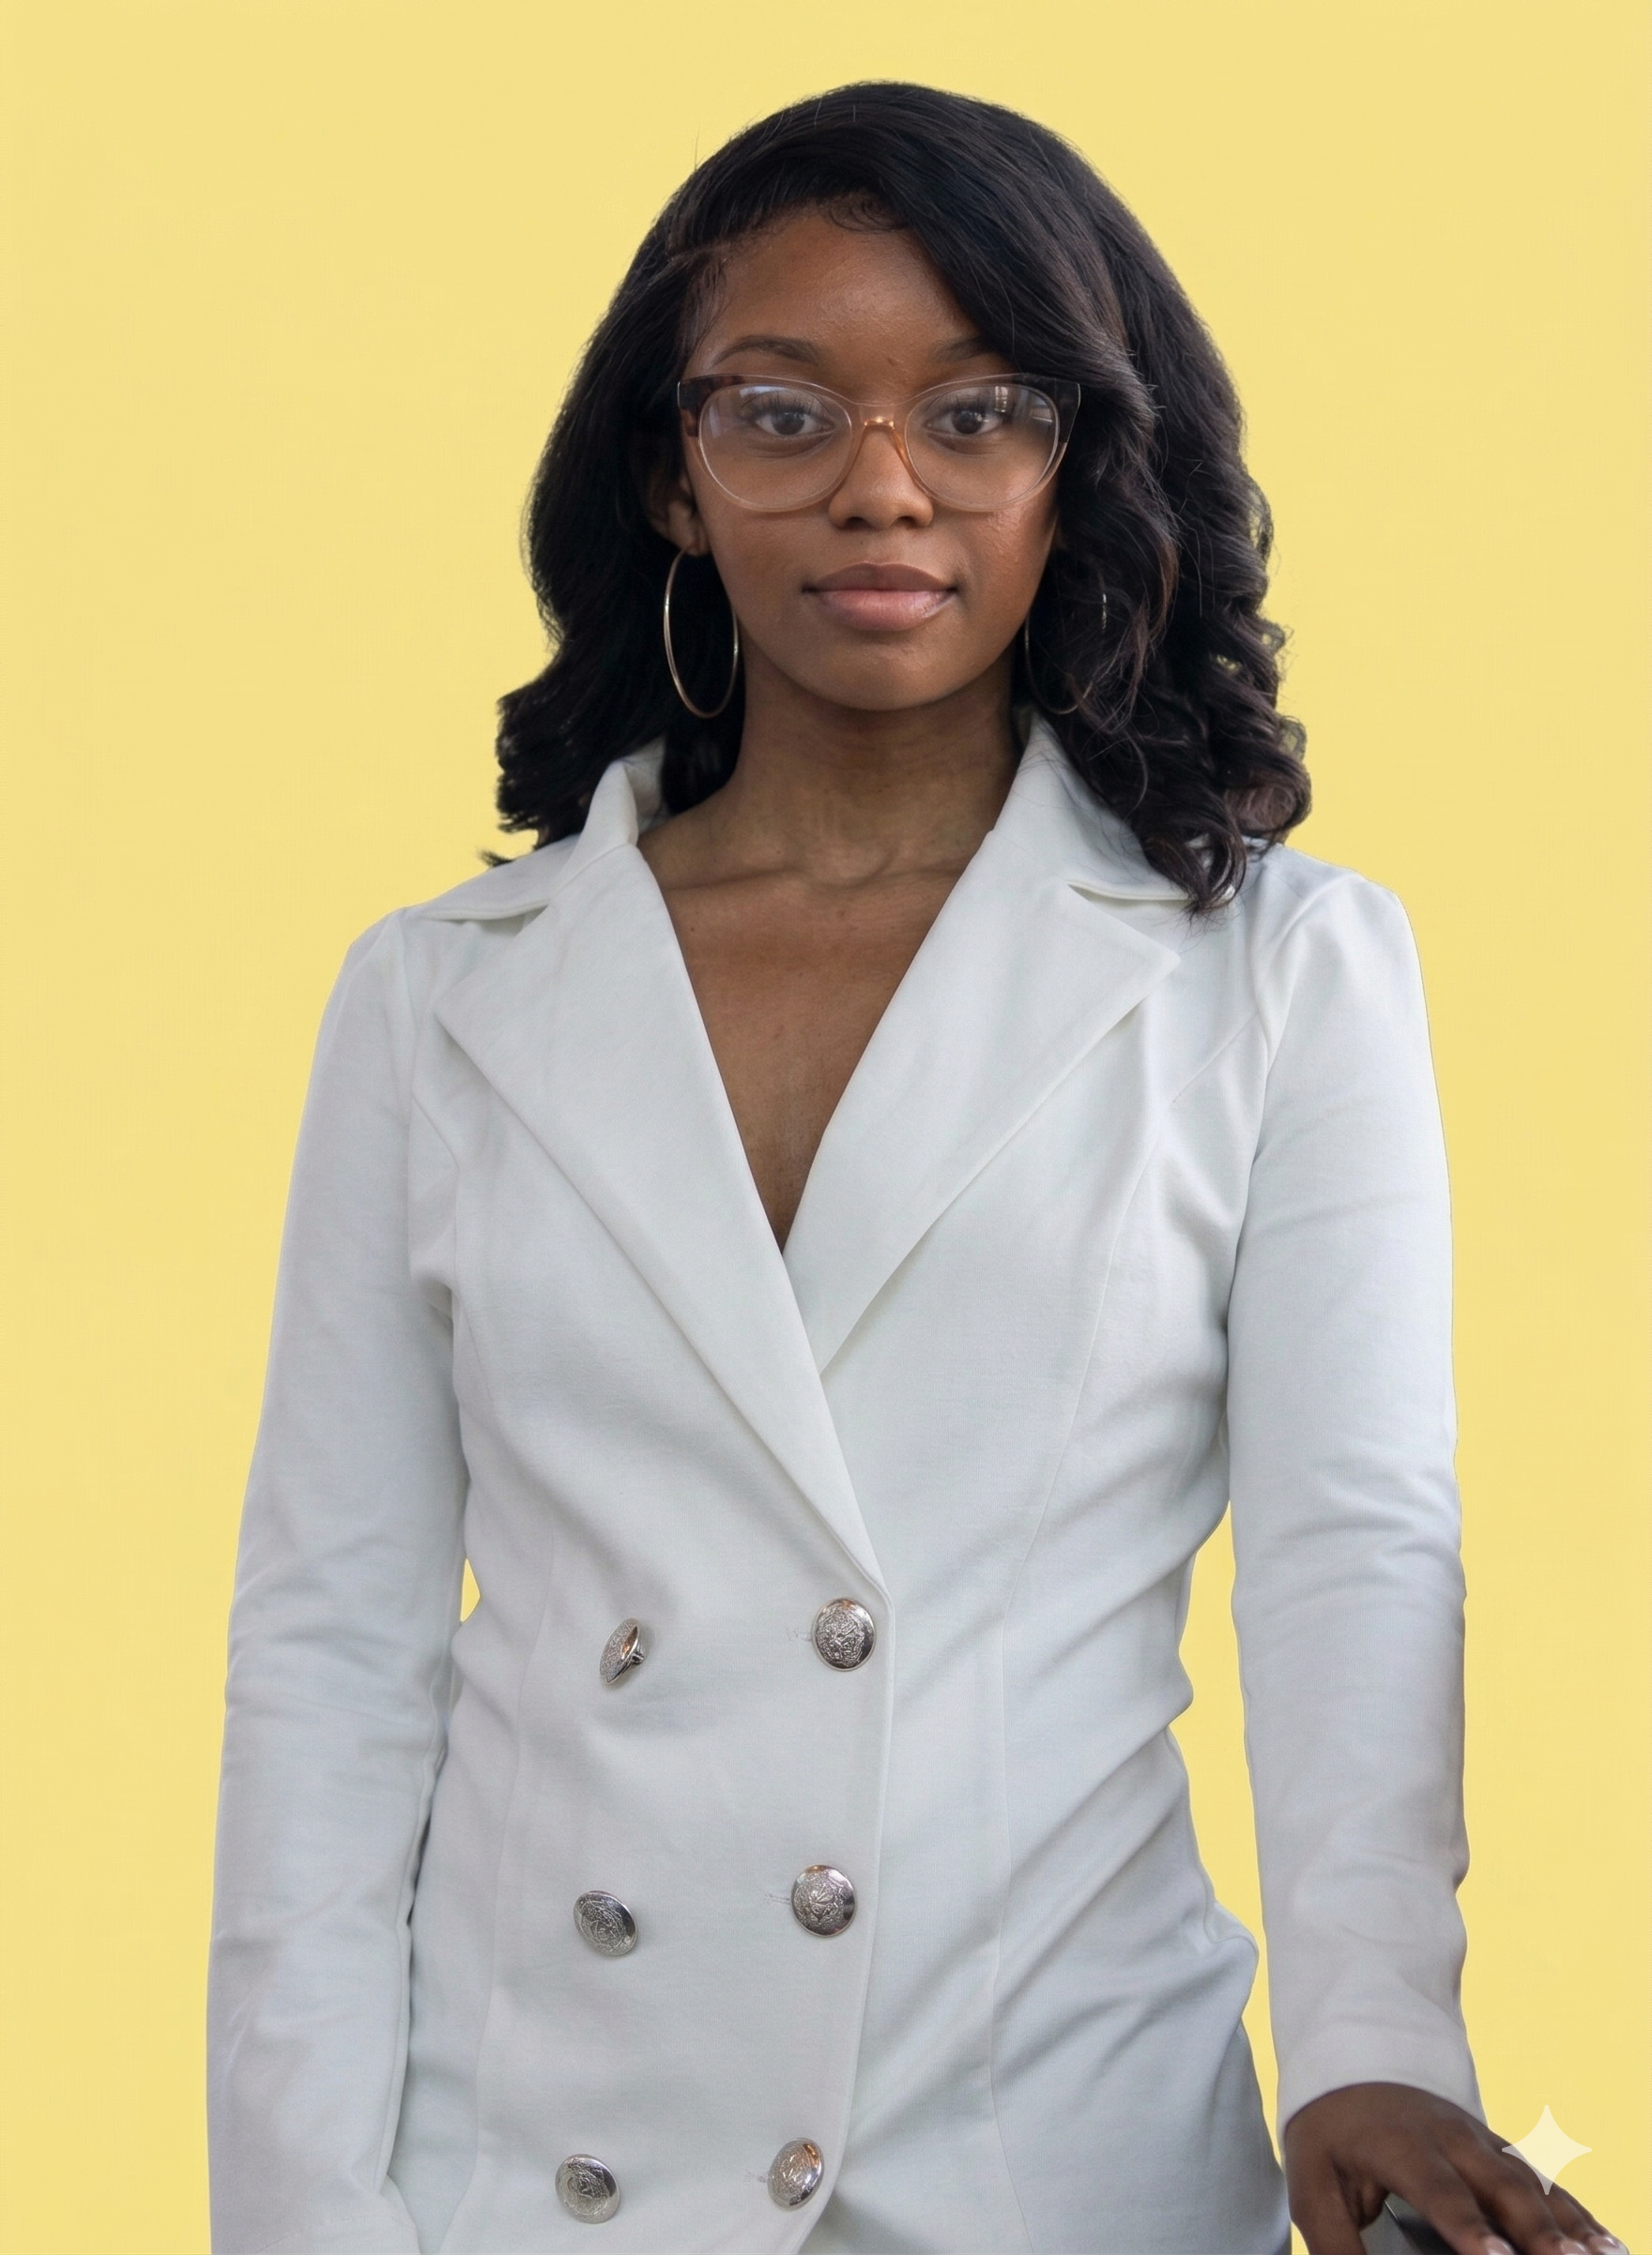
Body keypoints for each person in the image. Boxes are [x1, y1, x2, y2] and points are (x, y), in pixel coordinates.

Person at [206, 81, 1626, 2255]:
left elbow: (1350, 1548)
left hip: (1051, 2149)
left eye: (975, 415)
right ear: (674, 476)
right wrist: (303, 2215)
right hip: (528, 2174)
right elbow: (334, 1647)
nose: (883, 488)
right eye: (782, 415)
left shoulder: (1269, 968)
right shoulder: (442, 1000)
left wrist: (1380, 2042)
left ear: (1079, 464)